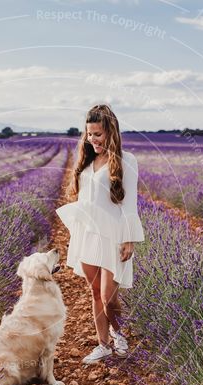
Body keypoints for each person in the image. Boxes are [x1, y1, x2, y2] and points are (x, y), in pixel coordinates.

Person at [56, 104, 145, 365]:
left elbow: (130, 203)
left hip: (114, 235)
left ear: (111, 132)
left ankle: (119, 336)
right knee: (95, 293)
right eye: (89, 134)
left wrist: (129, 238)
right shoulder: (86, 160)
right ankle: (103, 345)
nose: (93, 139)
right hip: (88, 234)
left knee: (109, 297)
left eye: (98, 134)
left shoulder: (126, 160)